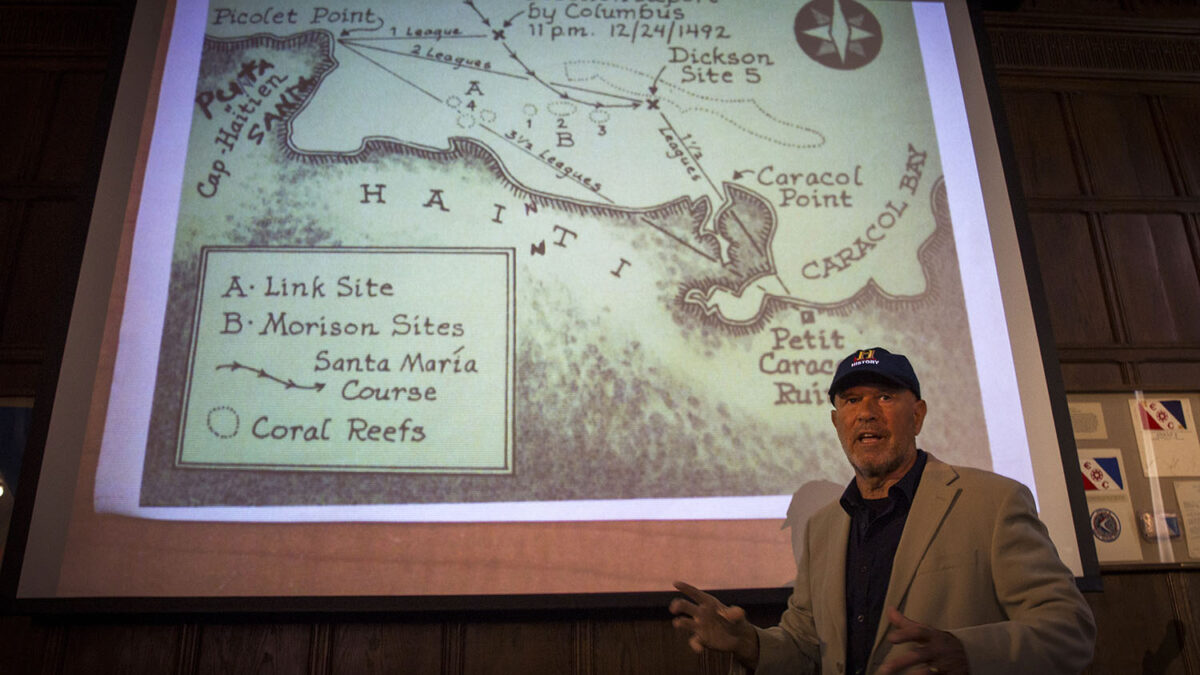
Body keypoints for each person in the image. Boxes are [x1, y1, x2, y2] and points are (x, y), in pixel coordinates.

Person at [670, 347, 1095, 675]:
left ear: (919, 414)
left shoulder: (993, 502)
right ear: (837, 422)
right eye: (852, 400)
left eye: (886, 396)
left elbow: (1069, 629)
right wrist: (746, 641)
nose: (867, 413)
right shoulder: (823, 528)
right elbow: (805, 645)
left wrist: (968, 652)